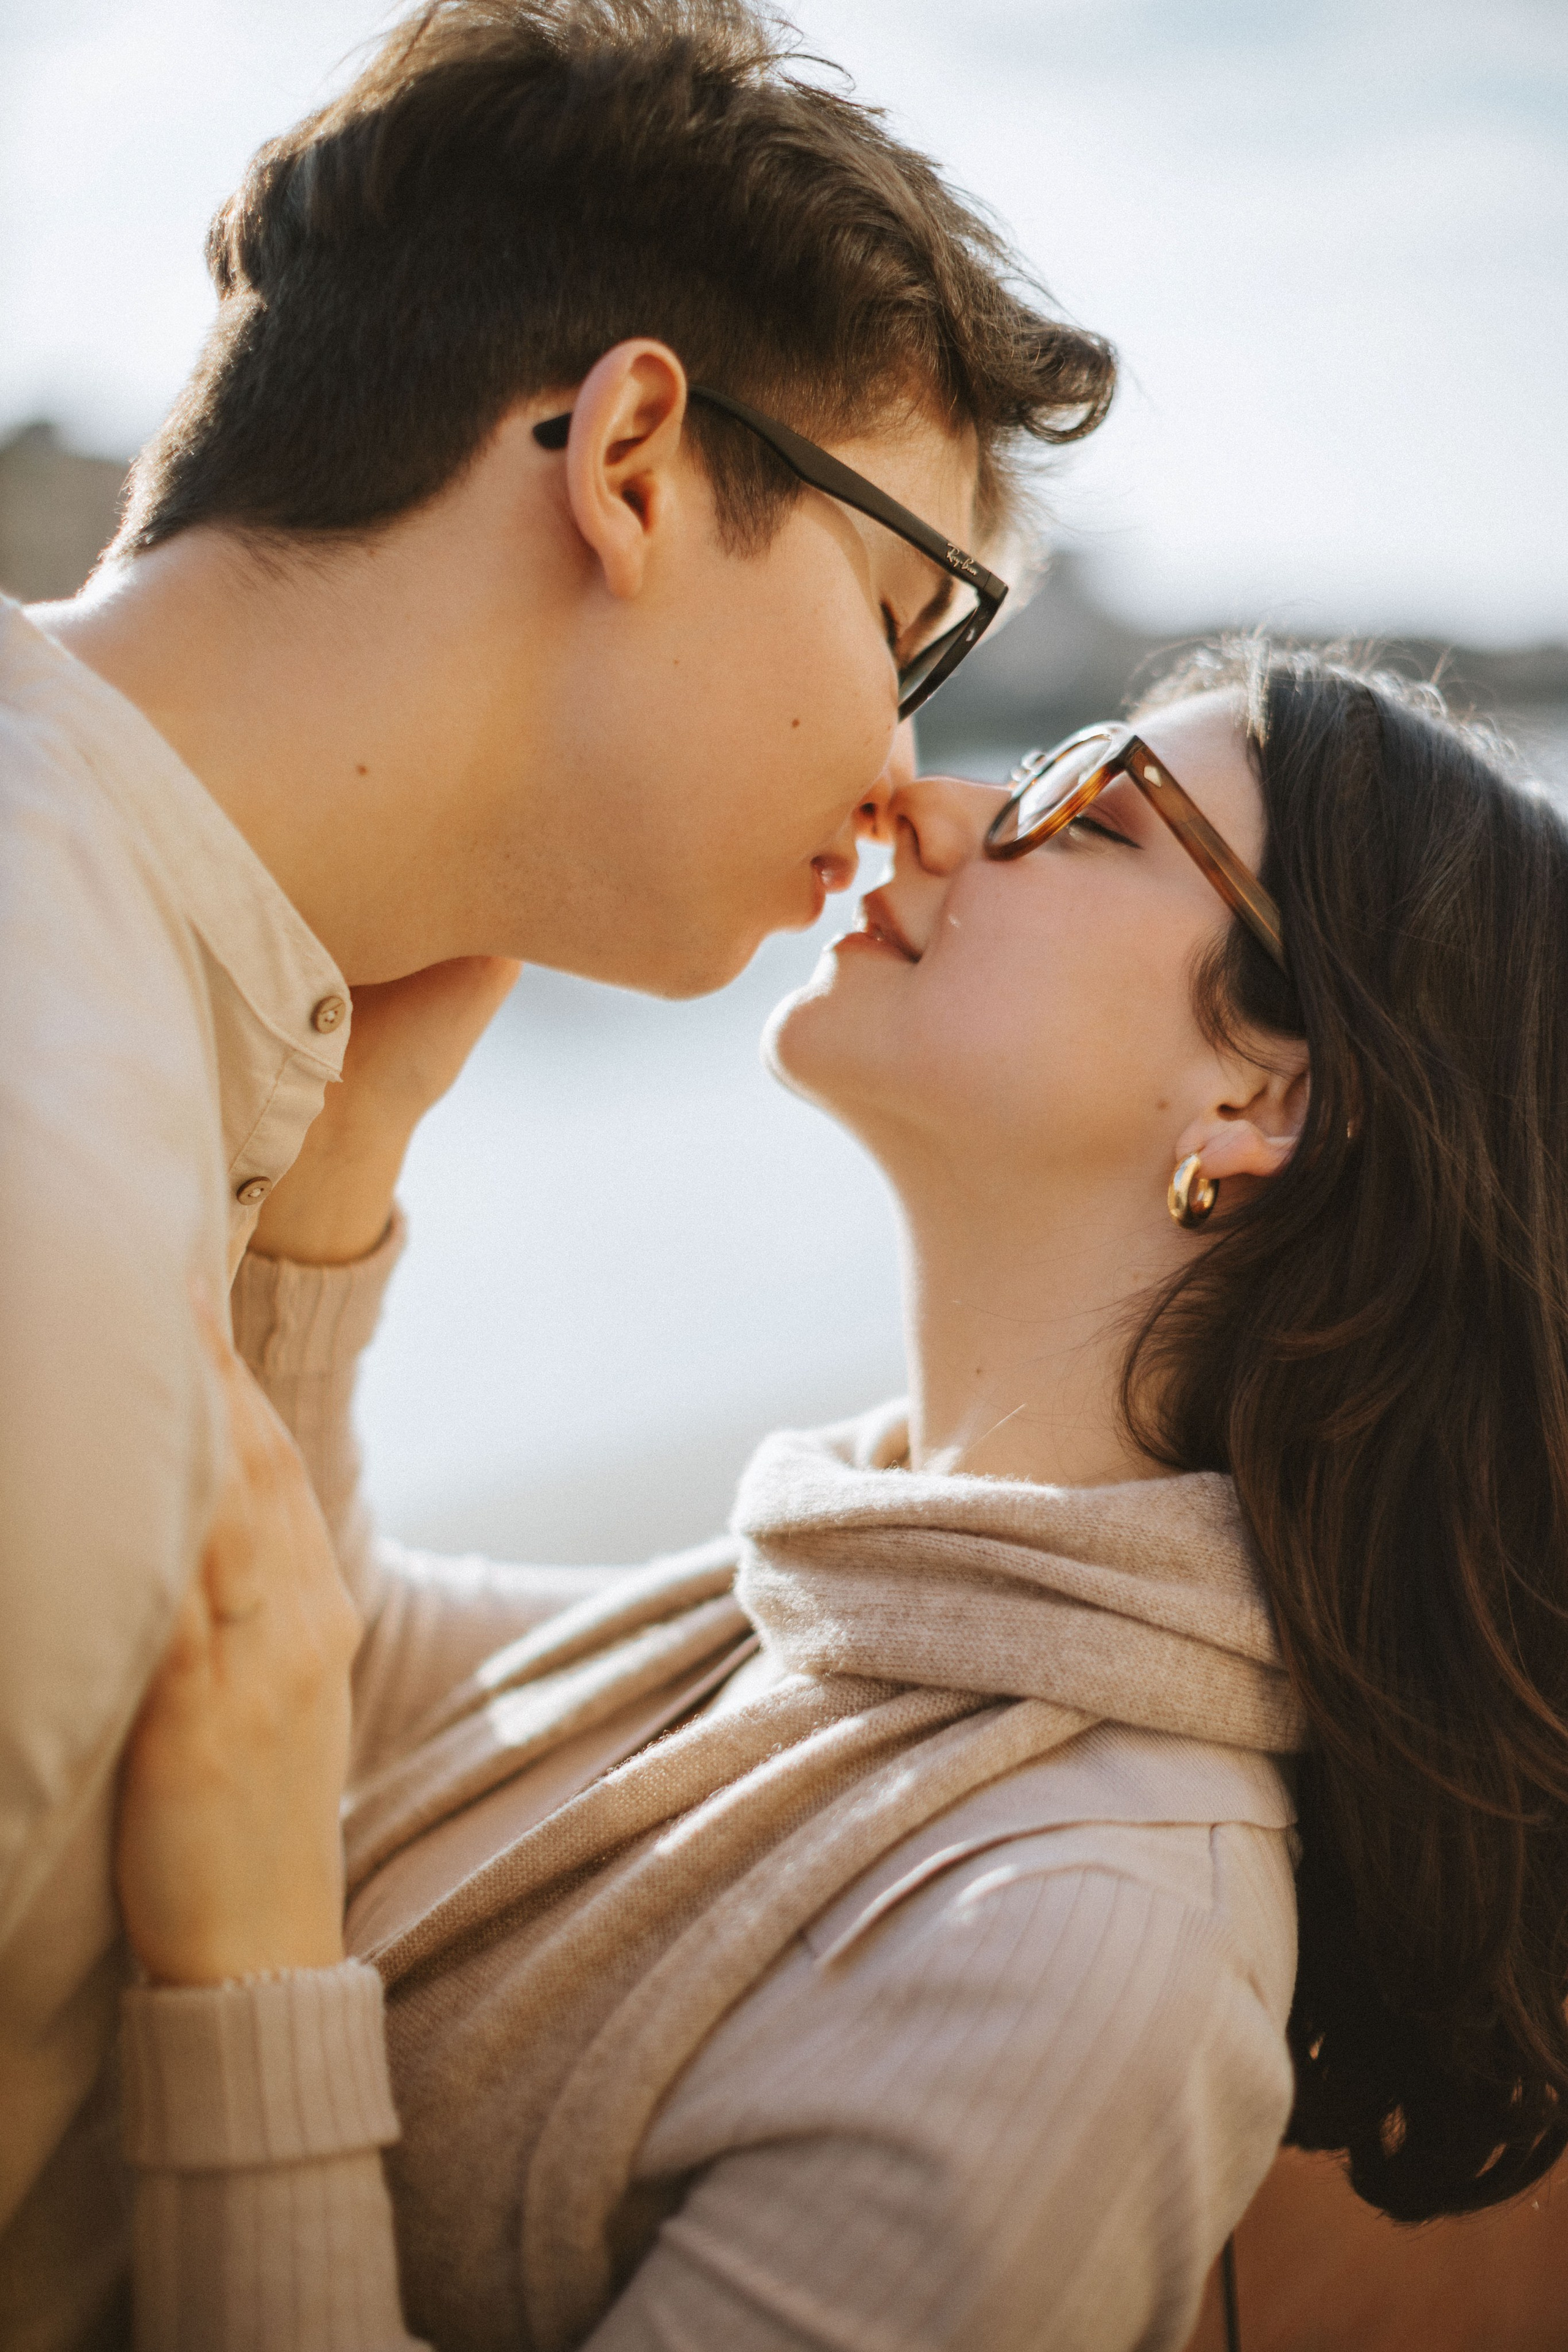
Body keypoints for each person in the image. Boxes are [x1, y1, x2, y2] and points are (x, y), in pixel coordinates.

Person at [0, 1, 1117, 2336]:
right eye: (905, 623)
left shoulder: (125, 1023)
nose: (902, 776)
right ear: (630, 457)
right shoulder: (52, 1196)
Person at [111, 643, 1568, 2350]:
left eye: (1085, 812)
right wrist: (352, 1149)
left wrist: (247, 1984)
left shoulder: (1083, 1966)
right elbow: (338, 1682)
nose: (934, 805)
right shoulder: (874, 1608)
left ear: (1266, 1102)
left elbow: (287, 1755)